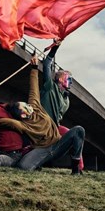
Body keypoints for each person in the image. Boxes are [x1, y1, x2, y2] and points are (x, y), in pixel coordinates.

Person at [0, 56, 85, 175]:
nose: (29, 106)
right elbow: (5, 121)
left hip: (56, 142)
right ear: (23, 115)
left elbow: (33, 88)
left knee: (78, 131)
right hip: (43, 150)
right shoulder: (24, 125)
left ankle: (76, 169)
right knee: (22, 167)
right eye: (26, 107)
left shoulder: (35, 106)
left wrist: (34, 68)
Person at [40, 39, 84, 171]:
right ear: (60, 79)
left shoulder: (66, 99)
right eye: (68, 78)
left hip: (55, 128)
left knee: (76, 133)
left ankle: (78, 168)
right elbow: (47, 64)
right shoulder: (49, 87)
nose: (71, 81)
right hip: (42, 127)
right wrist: (55, 48)